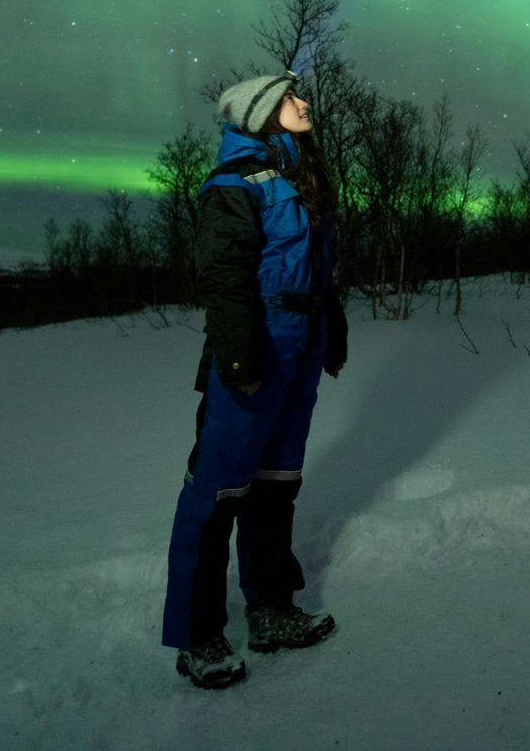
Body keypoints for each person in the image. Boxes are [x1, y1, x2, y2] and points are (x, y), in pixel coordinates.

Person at [161, 70, 348, 689]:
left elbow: (315, 270)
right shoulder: (233, 184)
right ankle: (198, 637)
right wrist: (239, 358)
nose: (304, 103)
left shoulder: (298, 177)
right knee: (217, 492)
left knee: (276, 483)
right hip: (255, 352)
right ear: (265, 112)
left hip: (299, 348)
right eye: (292, 98)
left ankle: (270, 611)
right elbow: (223, 275)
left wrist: (334, 325)